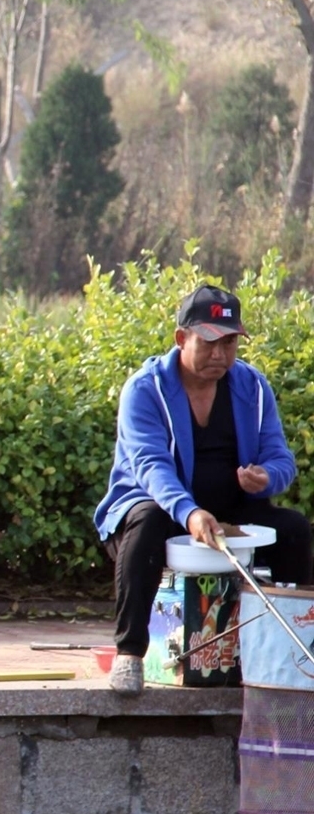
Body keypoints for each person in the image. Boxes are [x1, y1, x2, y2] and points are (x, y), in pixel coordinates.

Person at [93, 284, 311, 694]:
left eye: (229, 343)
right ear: (181, 339)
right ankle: (129, 652)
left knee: (295, 530)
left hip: (229, 514)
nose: (220, 355)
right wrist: (189, 512)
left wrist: (267, 477)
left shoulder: (253, 387)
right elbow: (150, 466)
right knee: (148, 523)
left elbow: (281, 459)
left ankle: (289, 656)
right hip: (158, 510)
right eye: (209, 342)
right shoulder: (144, 390)